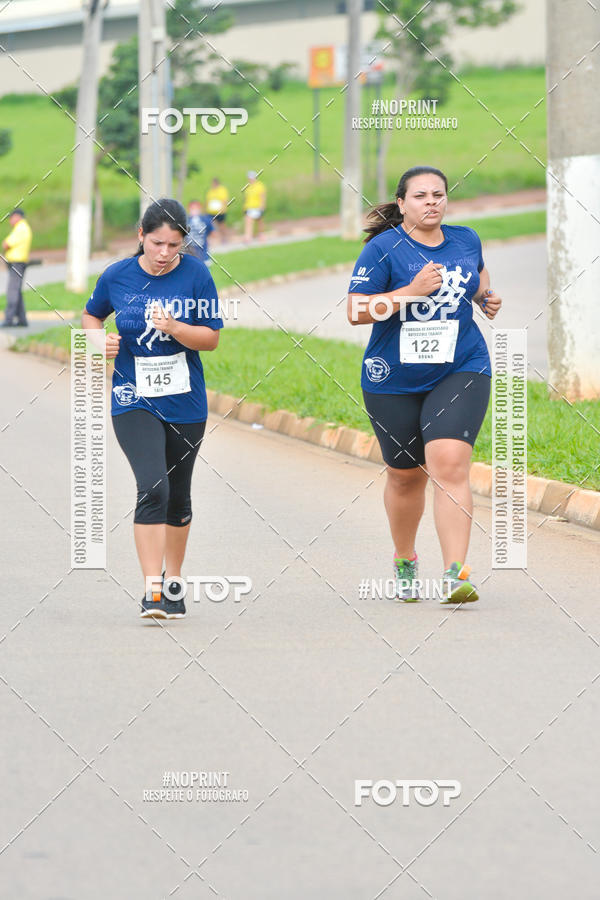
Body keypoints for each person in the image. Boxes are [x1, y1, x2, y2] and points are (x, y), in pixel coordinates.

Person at [347, 166, 502, 604]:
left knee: (449, 462)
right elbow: (356, 311)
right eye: (420, 195)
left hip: (461, 365)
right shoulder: (383, 250)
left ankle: (457, 573)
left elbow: (476, 276)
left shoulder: (465, 239)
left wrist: (485, 298)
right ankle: (404, 559)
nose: (431, 202)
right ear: (402, 203)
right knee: (404, 477)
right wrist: (410, 292)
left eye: (438, 194)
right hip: (392, 377)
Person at [82, 198, 223, 620]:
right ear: (140, 236)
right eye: (157, 243)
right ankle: (152, 590)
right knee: (153, 488)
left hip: (185, 401)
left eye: (174, 245)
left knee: (178, 497)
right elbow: (92, 317)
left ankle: (174, 581)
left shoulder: (197, 275)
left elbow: (211, 338)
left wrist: (176, 328)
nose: (164, 253)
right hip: (132, 398)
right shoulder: (117, 276)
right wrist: (96, 342)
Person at [2, 208, 32, 327]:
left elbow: (6, 244)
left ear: (17, 216)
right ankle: (22, 319)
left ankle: (9, 319)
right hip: (19, 263)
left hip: (17, 263)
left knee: (12, 290)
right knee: (17, 291)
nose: (10, 220)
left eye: (12, 217)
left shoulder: (21, 228)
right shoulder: (23, 228)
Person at [243, 171, 267, 242]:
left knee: (259, 222)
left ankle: (261, 235)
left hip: (257, 207)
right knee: (248, 221)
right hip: (249, 207)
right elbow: (246, 198)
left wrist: (262, 206)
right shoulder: (248, 187)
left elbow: (262, 196)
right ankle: (248, 237)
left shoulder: (260, 186)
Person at [206, 177, 230, 243]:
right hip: (211, 211)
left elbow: (225, 200)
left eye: (213, 183)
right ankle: (212, 239)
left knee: (221, 225)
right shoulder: (210, 191)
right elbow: (208, 200)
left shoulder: (222, 190)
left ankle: (225, 238)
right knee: (210, 225)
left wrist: (223, 208)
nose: (212, 184)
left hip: (220, 211)